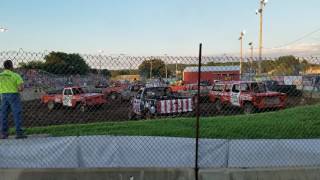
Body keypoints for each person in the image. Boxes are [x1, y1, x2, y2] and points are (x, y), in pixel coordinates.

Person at [0, 60, 27, 139]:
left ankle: (3, 134)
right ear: (11, 66)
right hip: (14, 95)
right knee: (16, 113)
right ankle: (19, 133)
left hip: (3, 95)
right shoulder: (15, 75)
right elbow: (20, 88)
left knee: (3, 114)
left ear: (4, 66)